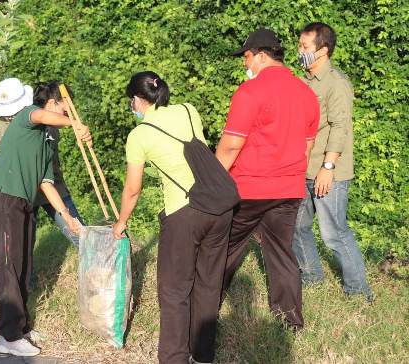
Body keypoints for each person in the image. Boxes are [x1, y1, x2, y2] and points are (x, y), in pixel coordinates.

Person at [112, 71, 232, 364]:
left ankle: (174, 359)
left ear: (138, 100)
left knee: (175, 291)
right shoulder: (188, 110)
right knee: (208, 285)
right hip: (222, 206)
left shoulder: (139, 135)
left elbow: (132, 188)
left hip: (185, 212)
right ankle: (202, 356)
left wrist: (121, 221)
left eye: (132, 101)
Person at [215, 28, 320, 330]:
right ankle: (290, 321)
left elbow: (231, 144)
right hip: (288, 189)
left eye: (246, 57)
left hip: (248, 188)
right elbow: (307, 146)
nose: (245, 64)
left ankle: (206, 307)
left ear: (260, 55)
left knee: (225, 248)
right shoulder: (306, 93)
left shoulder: (250, 91)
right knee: (281, 253)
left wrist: (210, 184)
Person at [0, 77, 90, 357]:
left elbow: (45, 182)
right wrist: (75, 125)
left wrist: (67, 216)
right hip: (3, 196)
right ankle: (8, 336)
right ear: (53, 102)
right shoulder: (27, 117)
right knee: (9, 265)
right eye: (66, 107)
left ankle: (21, 327)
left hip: (24, 200)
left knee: (24, 263)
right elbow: (40, 113)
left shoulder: (46, 137)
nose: (70, 111)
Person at [293, 22, 372, 300]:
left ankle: (359, 291)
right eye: (300, 45)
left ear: (323, 50)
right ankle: (311, 277)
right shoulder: (303, 80)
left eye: (305, 47)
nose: (299, 50)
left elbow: (340, 127)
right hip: (301, 168)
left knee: (334, 234)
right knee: (297, 227)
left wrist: (327, 168)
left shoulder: (336, 83)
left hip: (326, 171)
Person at [0, 81, 84, 248]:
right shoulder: (9, 124)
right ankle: (29, 276)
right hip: (24, 190)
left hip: (53, 186)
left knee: (79, 233)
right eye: (65, 112)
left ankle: (102, 269)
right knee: (23, 246)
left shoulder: (49, 124)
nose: (67, 116)